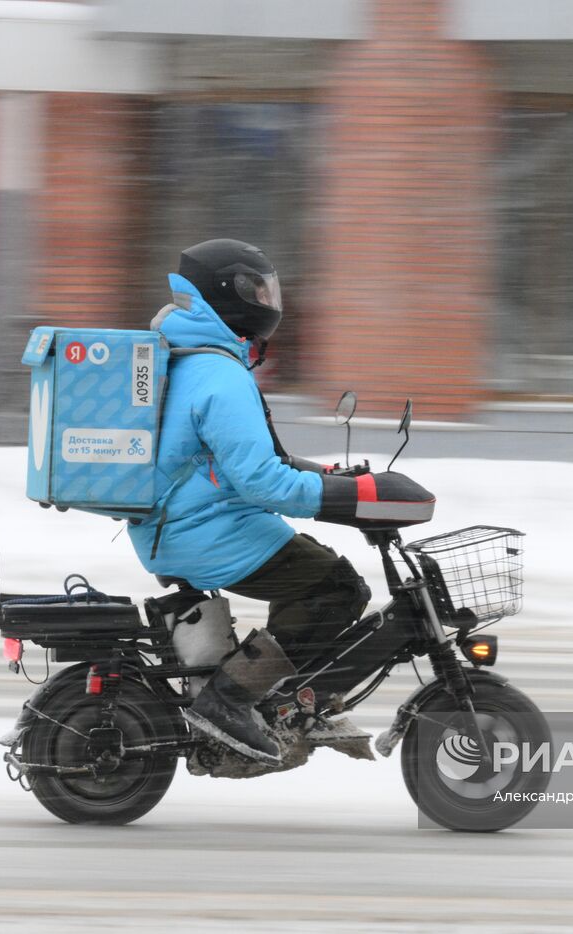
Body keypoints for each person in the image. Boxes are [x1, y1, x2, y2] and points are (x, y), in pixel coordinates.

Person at [129, 239, 431, 765]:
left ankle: (297, 699)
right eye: (259, 290)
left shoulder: (197, 359)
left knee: (318, 575)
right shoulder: (219, 376)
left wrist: (335, 479)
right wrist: (350, 497)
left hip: (187, 522)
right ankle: (231, 700)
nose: (270, 302)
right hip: (198, 529)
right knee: (333, 589)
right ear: (230, 296)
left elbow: (258, 461)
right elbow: (265, 484)